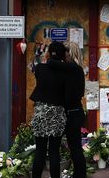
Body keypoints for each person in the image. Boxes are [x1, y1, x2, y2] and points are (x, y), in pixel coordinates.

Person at [48, 42, 86, 178]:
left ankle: (80, 175)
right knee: (75, 148)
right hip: (74, 112)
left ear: (70, 53)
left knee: (75, 148)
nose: (63, 54)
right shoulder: (74, 69)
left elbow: (51, 63)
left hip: (73, 113)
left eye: (65, 51)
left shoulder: (73, 68)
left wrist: (52, 51)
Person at [30, 41, 67, 178]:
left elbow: (39, 63)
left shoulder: (40, 68)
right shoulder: (65, 71)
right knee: (54, 151)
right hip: (57, 112)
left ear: (48, 53)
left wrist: (46, 55)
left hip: (41, 111)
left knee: (40, 150)